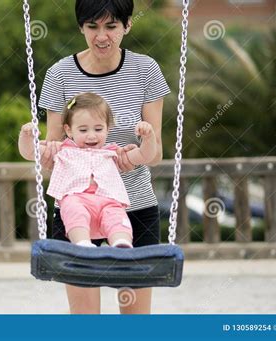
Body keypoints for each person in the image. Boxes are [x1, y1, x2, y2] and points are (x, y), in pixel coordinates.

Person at [37, 0, 170, 314]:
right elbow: (52, 151)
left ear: (127, 26)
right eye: (92, 26)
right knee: (86, 323)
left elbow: (156, 153)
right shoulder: (60, 74)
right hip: (75, 211)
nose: (101, 36)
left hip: (132, 206)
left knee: (135, 323)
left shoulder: (145, 70)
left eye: (111, 26)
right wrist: (45, 155)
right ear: (81, 27)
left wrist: (132, 158)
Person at [19, 93, 157, 249]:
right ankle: (82, 243)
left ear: (107, 128)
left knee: (116, 216)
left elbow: (145, 155)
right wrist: (26, 136)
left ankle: (121, 243)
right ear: (69, 130)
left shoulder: (113, 154)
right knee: (73, 209)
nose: (91, 135)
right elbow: (30, 153)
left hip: (108, 201)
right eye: (83, 130)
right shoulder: (61, 151)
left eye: (98, 128)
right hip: (77, 199)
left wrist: (148, 137)